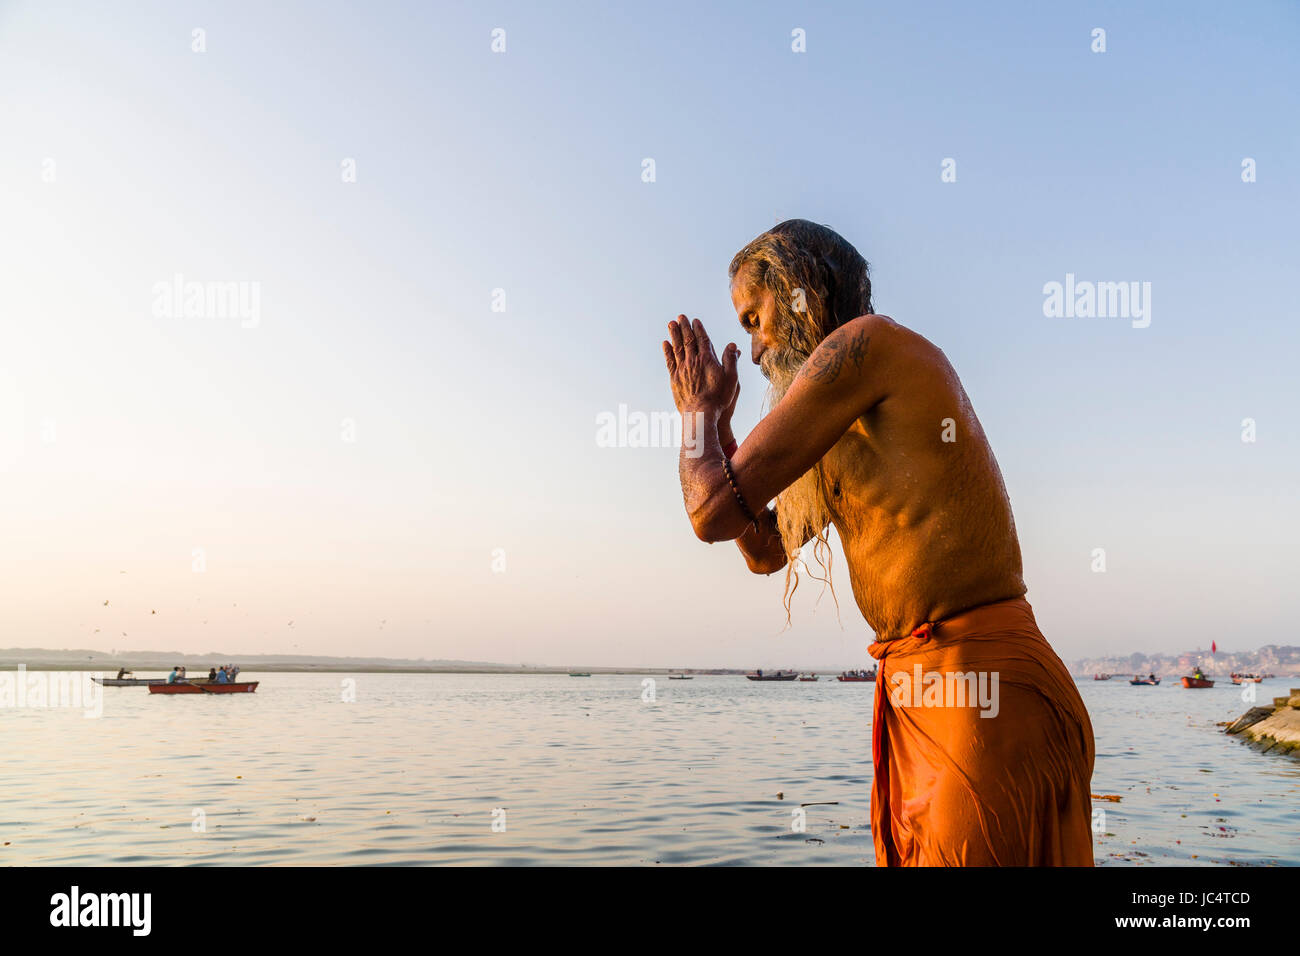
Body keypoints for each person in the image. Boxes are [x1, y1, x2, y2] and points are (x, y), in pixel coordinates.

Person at [663, 219, 1094, 866]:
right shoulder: (840, 420)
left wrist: (697, 414)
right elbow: (760, 549)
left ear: (799, 287)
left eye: (755, 318)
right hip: (926, 701)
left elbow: (709, 513)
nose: (750, 351)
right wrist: (720, 432)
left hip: (980, 691)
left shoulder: (867, 347)